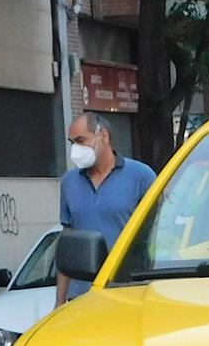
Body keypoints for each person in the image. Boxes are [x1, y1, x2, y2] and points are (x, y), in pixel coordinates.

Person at [56, 113, 154, 304]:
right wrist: (59, 301)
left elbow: (161, 234)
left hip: (128, 292)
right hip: (82, 297)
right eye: (72, 143)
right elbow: (67, 242)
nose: (76, 149)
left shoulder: (141, 176)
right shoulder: (69, 182)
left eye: (81, 140)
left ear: (104, 136)